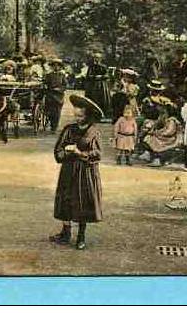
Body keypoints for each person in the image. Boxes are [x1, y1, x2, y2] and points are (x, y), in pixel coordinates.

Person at [50, 94, 103, 250]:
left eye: (80, 116)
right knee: (65, 201)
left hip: (85, 172)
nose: (77, 118)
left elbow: (98, 154)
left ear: (88, 116)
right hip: (68, 171)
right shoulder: (68, 130)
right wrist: (67, 152)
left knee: (82, 203)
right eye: (76, 115)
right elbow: (57, 151)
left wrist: (80, 153)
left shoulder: (93, 132)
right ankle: (65, 233)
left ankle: (81, 236)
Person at [83, 53, 112, 120]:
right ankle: (92, 115)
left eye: (98, 58)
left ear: (100, 59)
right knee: (92, 99)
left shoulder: (103, 66)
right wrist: (95, 77)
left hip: (101, 86)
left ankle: (102, 114)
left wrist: (101, 76)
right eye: (95, 58)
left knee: (102, 100)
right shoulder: (91, 67)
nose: (96, 59)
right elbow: (88, 76)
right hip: (93, 85)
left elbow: (107, 76)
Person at [42, 58, 67, 132]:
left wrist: (59, 89)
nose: (56, 67)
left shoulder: (62, 75)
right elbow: (45, 83)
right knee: (49, 112)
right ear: (52, 67)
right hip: (50, 95)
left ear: (60, 67)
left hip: (59, 96)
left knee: (57, 112)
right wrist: (46, 87)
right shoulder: (49, 75)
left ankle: (54, 127)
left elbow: (65, 85)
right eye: (54, 66)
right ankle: (51, 122)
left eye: (57, 66)